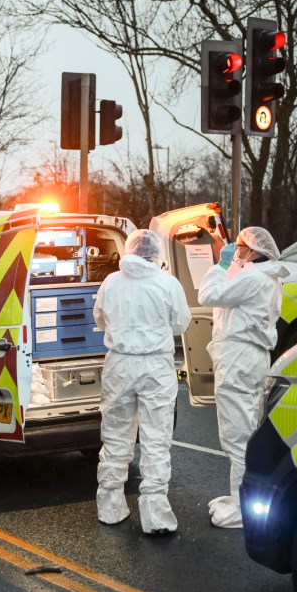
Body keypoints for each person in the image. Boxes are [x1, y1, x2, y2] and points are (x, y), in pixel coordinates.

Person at [93, 229, 191, 535]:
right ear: (156, 253)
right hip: (155, 366)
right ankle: (156, 516)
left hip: (120, 363)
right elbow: (181, 322)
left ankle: (110, 507)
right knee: (155, 440)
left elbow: (99, 319)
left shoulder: (111, 281)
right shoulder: (167, 284)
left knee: (116, 437)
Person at [198, 226, 289, 528]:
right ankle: (243, 496)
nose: (235, 251)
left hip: (239, 359)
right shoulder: (264, 276)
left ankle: (242, 508)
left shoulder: (253, 278)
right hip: (250, 357)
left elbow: (208, 294)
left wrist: (221, 266)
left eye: (238, 246)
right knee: (248, 430)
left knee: (237, 435)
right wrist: (233, 265)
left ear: (252, 250)